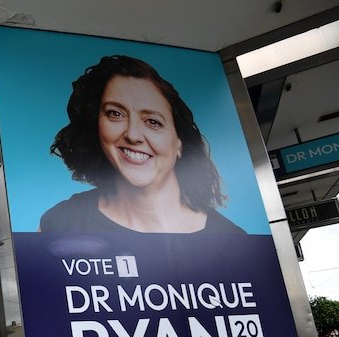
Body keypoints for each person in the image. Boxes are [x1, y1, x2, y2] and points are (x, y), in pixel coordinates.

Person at [42, 54, 245, 234]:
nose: (132, 134)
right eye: (115, 113)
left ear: (179, 142)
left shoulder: (233, 243)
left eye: (153, 122)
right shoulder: (62, 223)